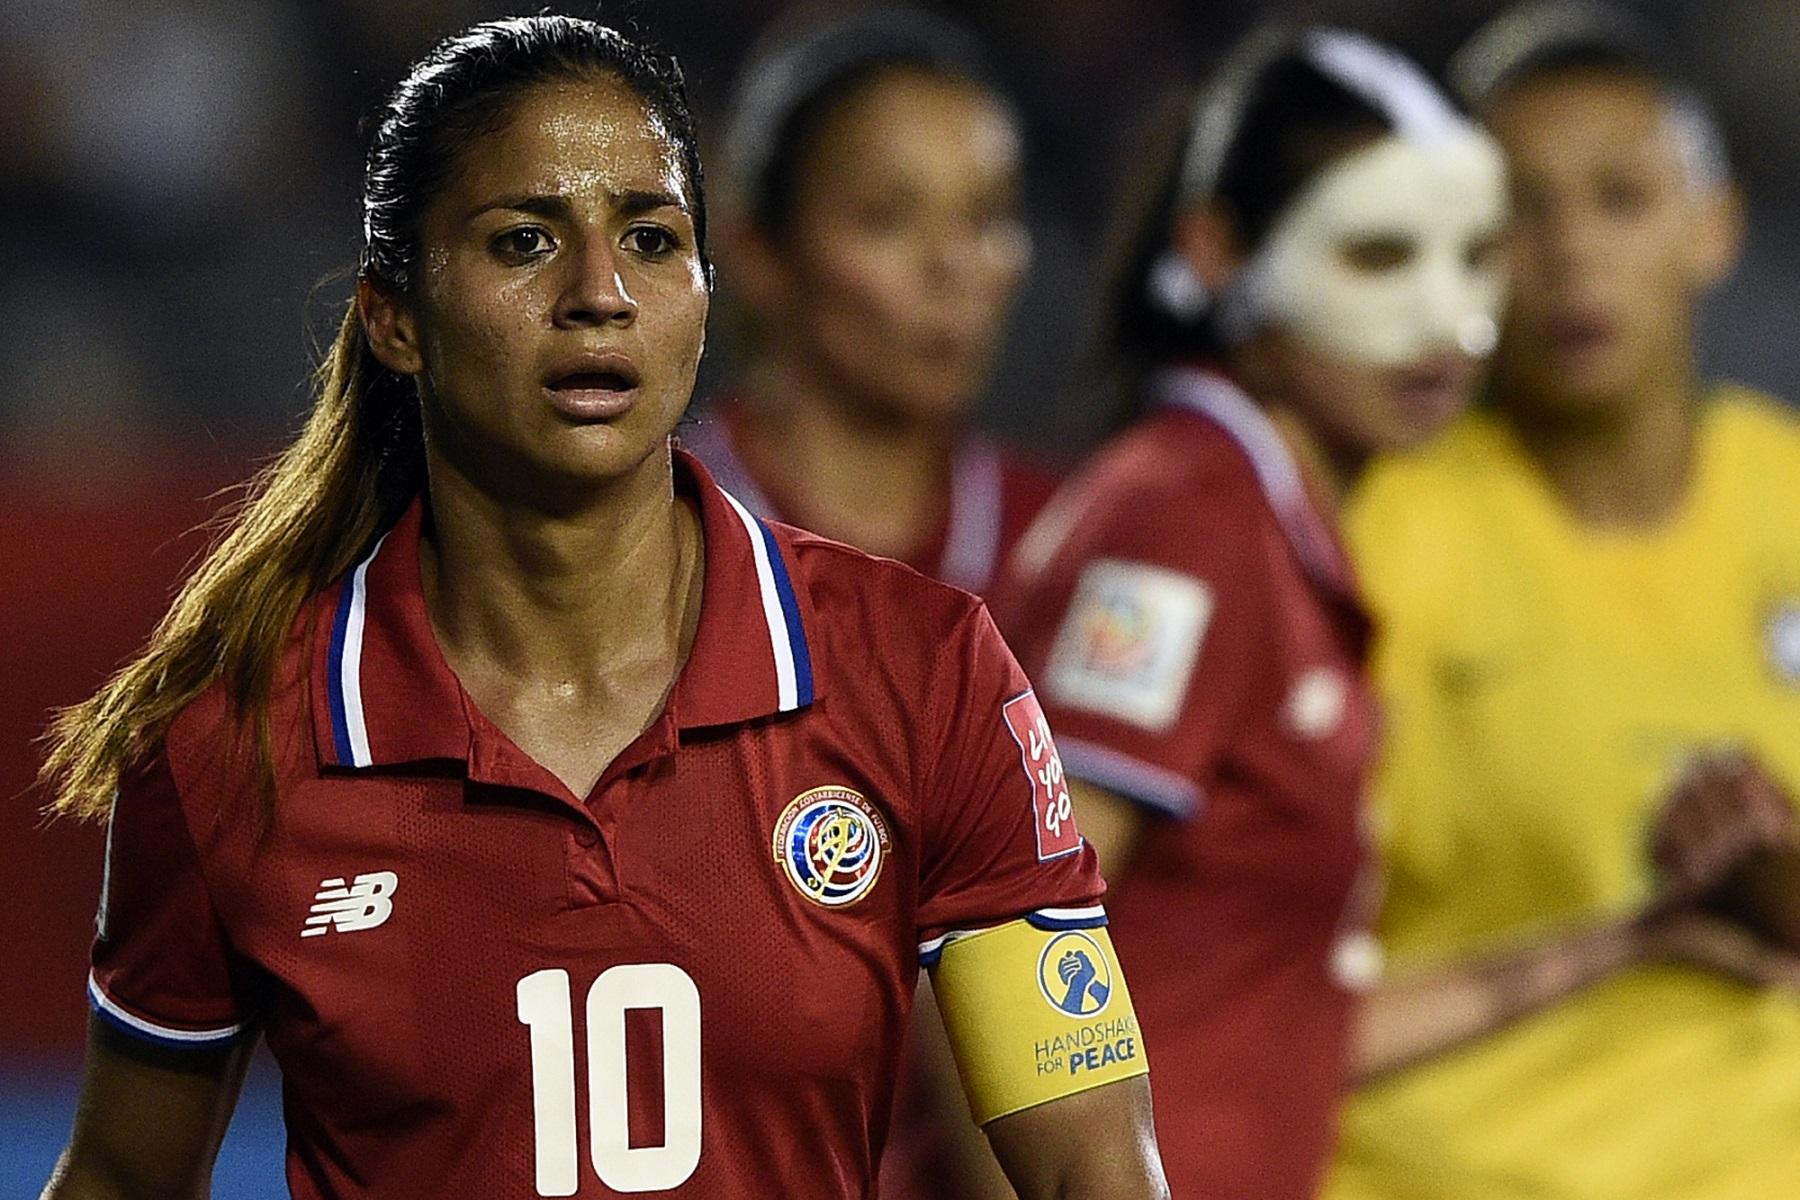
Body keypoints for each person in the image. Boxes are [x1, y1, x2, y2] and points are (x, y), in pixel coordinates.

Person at [35, 17, 1169, 1199]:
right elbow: (120, 1176)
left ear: (706, 295)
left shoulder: (924, 669)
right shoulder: (236, 742)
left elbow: (1093, 1171)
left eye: (650, 238)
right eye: (524, 240)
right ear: (394, 318)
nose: (600, 293)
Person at [990, 27, 1509, 1199]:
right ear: (1217, 252)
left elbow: (1284, 1017)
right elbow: (995, 940)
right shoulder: (1186, 525)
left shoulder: (1260, 520)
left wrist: (1633, 940)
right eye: (1377, 254)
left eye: (1479, 254)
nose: (1447, 318)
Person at [1326, 5, 1800, 1198]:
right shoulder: (1378, 537)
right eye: (1518, 212)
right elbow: (1244, 977)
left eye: (1621, 199)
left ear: (1713, 226)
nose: (1571, 252)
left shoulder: (1788, 490)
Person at [684, 6, 1049, 598]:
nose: (952, 266)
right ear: (759, 253)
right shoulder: (652, 534)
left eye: (986, 217)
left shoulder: (1062, 540)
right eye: (888, 218)